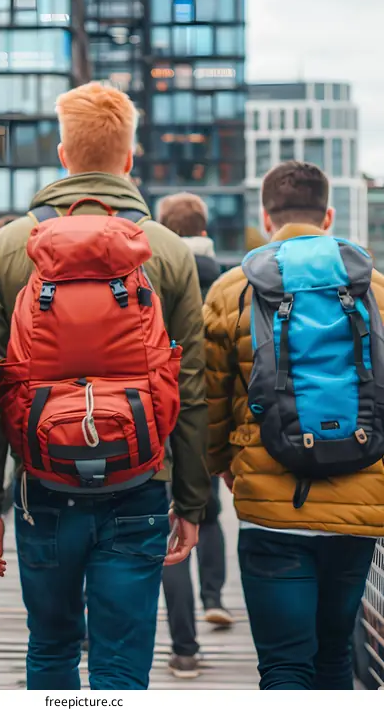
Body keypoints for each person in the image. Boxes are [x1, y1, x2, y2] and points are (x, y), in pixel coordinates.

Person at [0, 82, 209, 690]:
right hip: (141, 481)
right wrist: (192, 502)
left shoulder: (7, 247)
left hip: (43, 482)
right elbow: (193, 388)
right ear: (128, 159)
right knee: (122, 662)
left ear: (62, 155)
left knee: (50, 648)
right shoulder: (167, 249)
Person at [205, 160, 384, 690]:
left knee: (284, 666)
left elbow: (212, 400)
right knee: (334, 660)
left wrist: (222, 466)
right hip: (360, 503)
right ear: (328, 215)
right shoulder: (375, 287)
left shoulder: (232, 288)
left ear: (265, 219)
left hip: (270, 504)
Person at [157, 193, 233, 680]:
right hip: (214, 420)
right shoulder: (227, 277)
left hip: (165, 421)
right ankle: (215, 597)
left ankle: (185, 649)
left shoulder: (157, 269)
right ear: (205, 225)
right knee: (207, 512)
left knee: (173, 529)